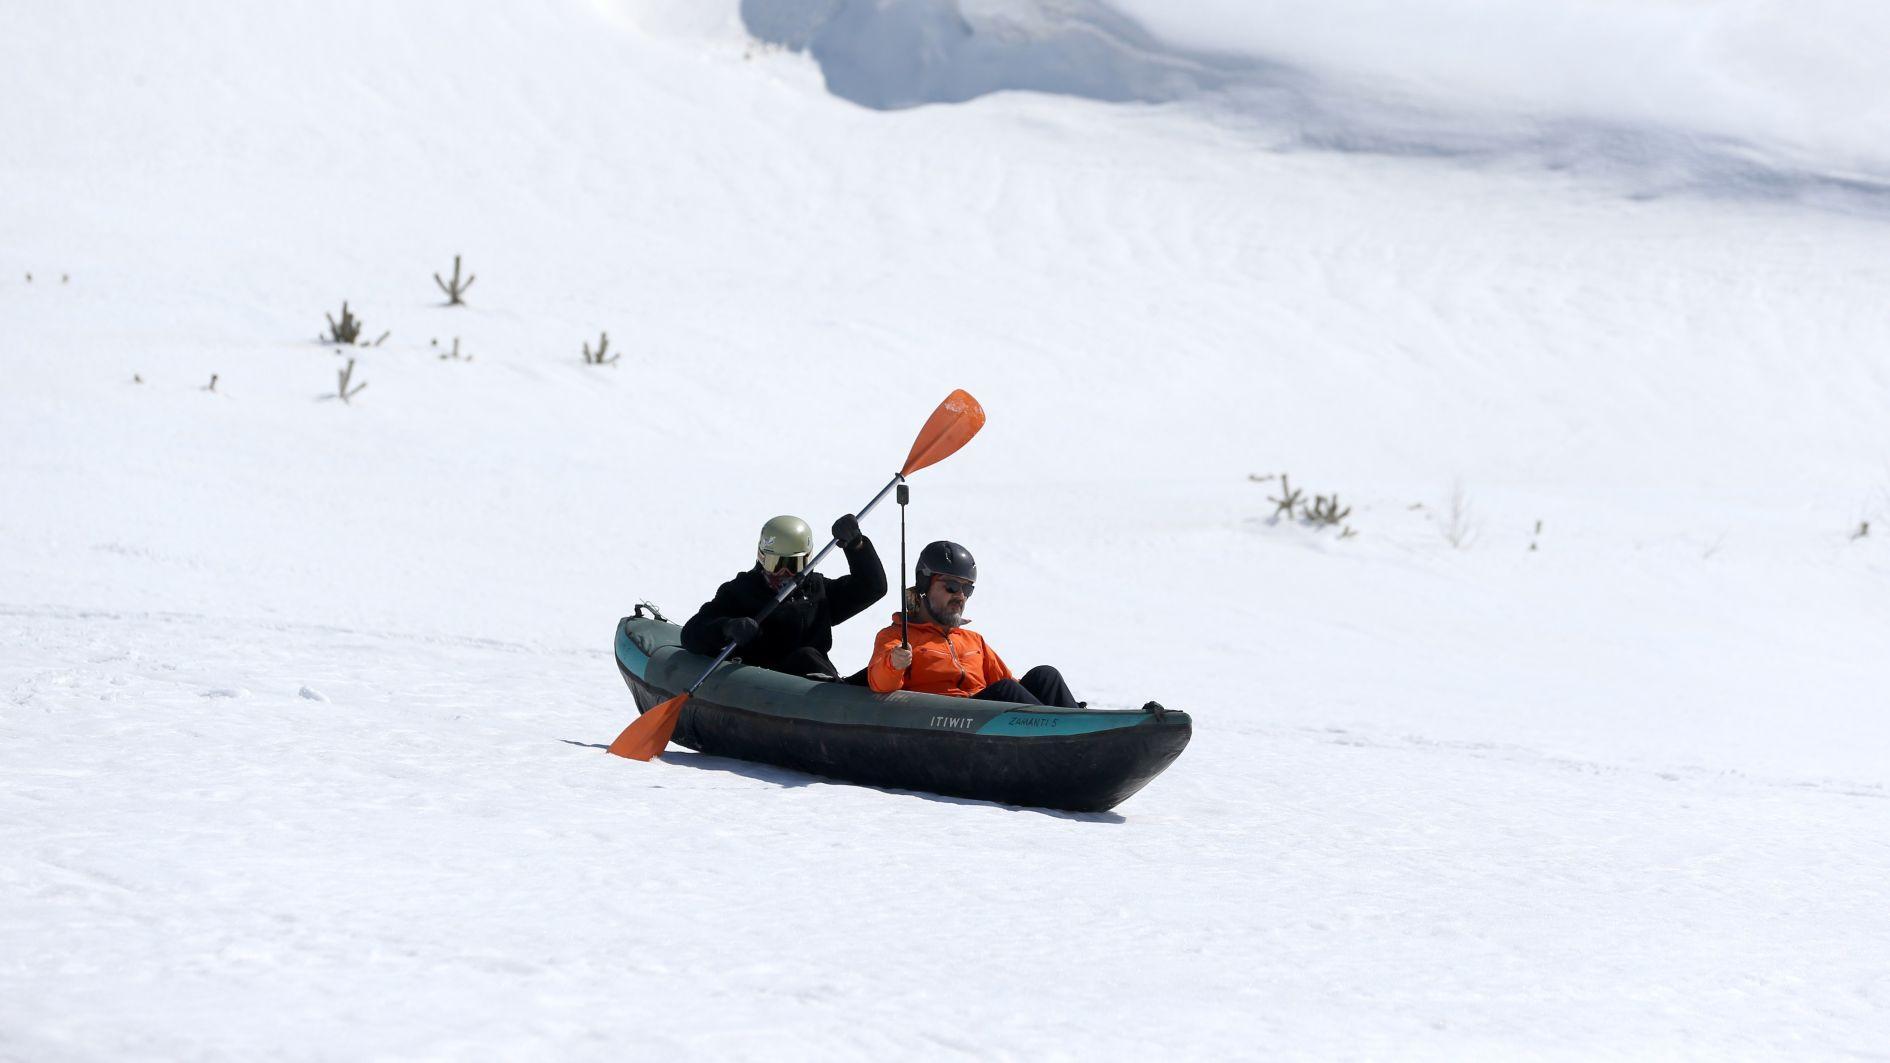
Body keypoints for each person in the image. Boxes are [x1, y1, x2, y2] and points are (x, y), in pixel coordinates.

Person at [865, 541, 1081, 707]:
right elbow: (880, 684)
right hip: (948, 722)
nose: (960, 596)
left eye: (967, 589)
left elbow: (1009, 682)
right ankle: (1061, 734)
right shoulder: (897, 638)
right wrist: (894, 663)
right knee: (1004, 691)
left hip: (987, 720)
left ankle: (1081, 731)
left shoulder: (973, 640)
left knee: (1045, 676)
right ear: (924, 585)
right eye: (951, 586)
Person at [681, 513, 887, 679]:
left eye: (793, 565)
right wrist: (727, 626)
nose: (783, 574)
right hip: (762, 687)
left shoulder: (817, 591)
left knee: (810, 658)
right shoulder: (741, 591)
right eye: (775, 564)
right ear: (761, 558)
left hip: (815, 687)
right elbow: (691, 634)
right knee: (805, 657)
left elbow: (872, 587)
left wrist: (857, 546)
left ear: (807, 561)